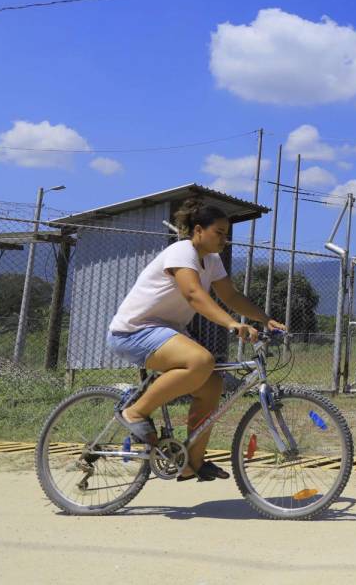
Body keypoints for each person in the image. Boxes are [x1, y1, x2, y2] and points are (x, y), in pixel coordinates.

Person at [106, 198, 286, 481]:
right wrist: (230, 323)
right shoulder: (181, 251)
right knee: (201, 361)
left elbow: (231, 296)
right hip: (134, 331)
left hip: (166, 331)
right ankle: (136, 412)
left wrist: (264, 319)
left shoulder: (211, 261)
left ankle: (191, 462)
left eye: (227, 235)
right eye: (219, 233)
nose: (224, 240)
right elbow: (193, 294)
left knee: (212, 384)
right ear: (199, 230)